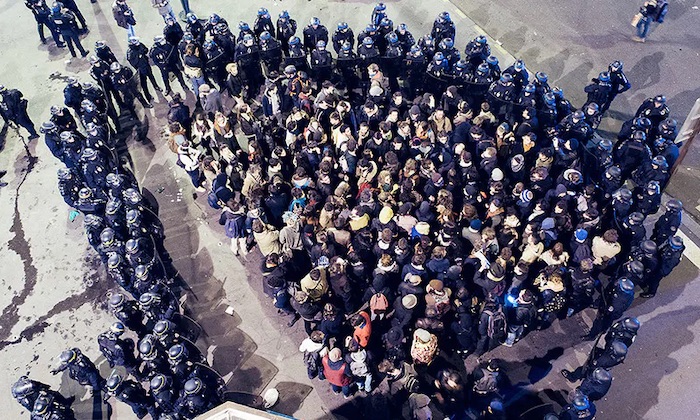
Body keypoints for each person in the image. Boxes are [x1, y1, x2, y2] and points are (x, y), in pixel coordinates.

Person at [126, 37, 161, 104]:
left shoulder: (140, 45)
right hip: (141, 69)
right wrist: (138, 58)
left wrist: (143, 52)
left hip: (146, 64)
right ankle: (148, 97)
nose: (138, 44)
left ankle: (156, 86)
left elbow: (146, 50)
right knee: (144, 84)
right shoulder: (130, 52)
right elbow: (132, 62)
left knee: (151, 76)